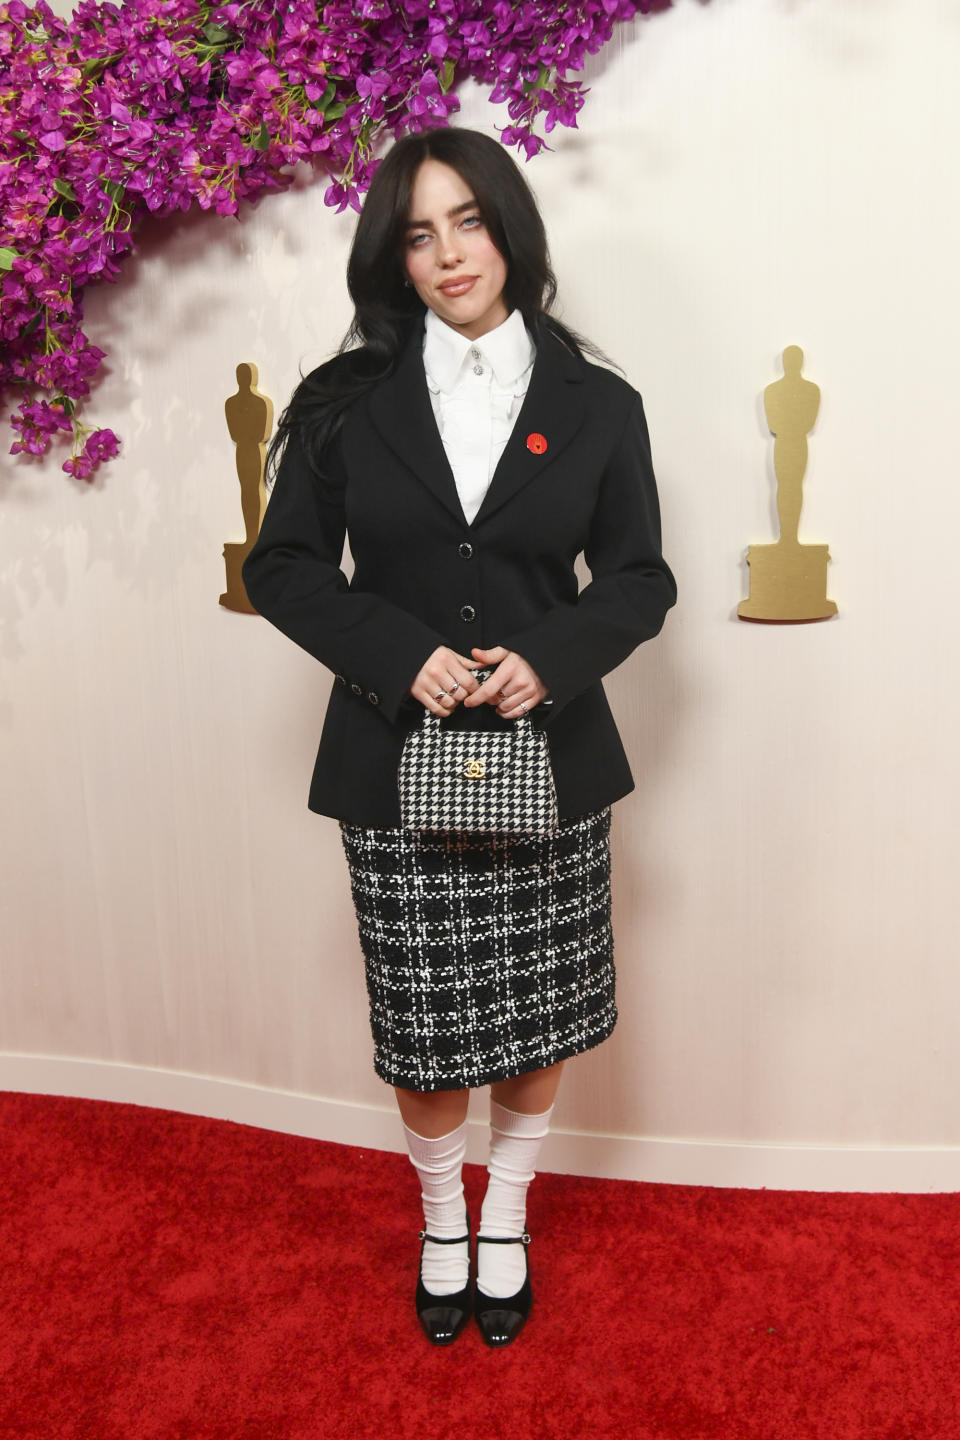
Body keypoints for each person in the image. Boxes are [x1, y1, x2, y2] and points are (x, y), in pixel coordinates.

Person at [242, 126, 676, 1348]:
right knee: (427, 1029)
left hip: (550, 762)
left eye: (468, 222)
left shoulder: (602, 405)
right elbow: (282, 567)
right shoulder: (343, 403)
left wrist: (552, 658)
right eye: (419, 233)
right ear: (395, 255)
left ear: (510, 230)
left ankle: (508, 1216)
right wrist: (396, 653)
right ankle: (443, 1215)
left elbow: (639, 580)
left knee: (539, 1014)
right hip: (393, 761)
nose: (447, 254)